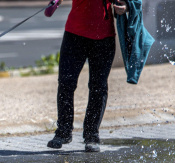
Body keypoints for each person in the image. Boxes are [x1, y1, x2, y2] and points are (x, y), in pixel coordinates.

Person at [47, 0, 128, 152]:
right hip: (74, 34)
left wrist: (125, 7)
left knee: (98, 87)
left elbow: (130, 2)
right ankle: (64, 131)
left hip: (104, 38)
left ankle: (91, 135)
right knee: (66, 83)